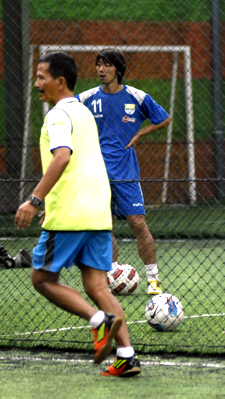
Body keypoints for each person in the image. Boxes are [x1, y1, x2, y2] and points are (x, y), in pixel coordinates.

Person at [14, 52, 141, 377]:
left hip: (72, 213)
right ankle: (126, 356)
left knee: (42, 279)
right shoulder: (84, 113)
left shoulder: (58, 115)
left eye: (42, 77)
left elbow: (62, 158)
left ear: (60, 81)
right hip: (98, 211)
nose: (37, 83)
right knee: (97, 286)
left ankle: (100, 322)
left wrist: (34, 200)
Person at [77, 49, 171, 295]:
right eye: (98, 64)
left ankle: (153, 279)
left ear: (117, 69)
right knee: (104, 226)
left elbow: (164, 119)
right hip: (96, 174)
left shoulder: (136, 96)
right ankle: (112, 273)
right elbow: (65, 114)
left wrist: (140, 133)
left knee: (138, 223)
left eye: (106, 65)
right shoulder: (87, 98)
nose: (100, 69)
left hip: (126, 172)